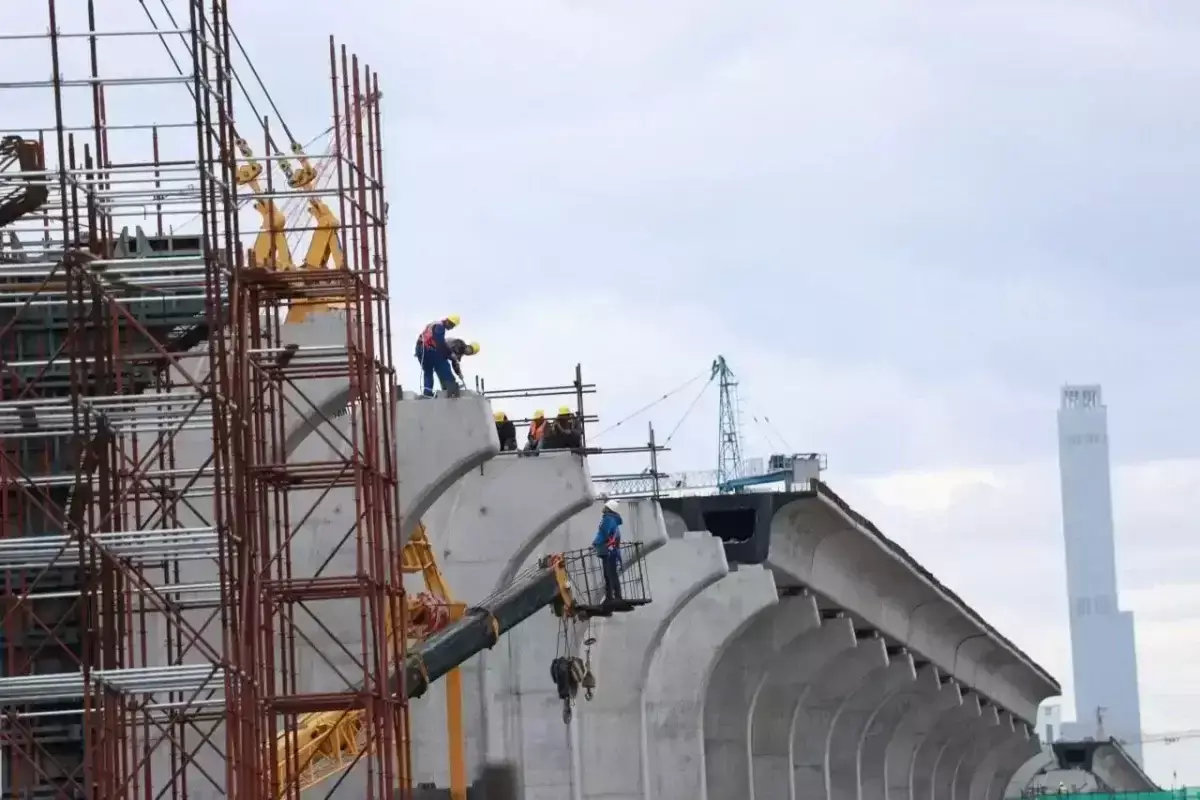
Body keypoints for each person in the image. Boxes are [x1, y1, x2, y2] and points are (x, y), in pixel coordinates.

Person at [414, 315, 461, 397]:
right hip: (427, 349)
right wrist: (450, 354)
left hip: (421, 349)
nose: (451, 327)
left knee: (428, 371)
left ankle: (427, 393)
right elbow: (440, 342)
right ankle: (451, 387)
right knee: (443, 364)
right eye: (451, 325)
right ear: (447, 321)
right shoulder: (440, 327)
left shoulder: (435, 324)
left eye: (453, 326)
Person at [592, 499, 624, 605]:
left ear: (608, 509)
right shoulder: (612, 520)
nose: (603, 507)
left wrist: (596, 543)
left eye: (605, 506)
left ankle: (611, 597)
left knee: (609, 574)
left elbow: (604, 533)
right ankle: (615, 596)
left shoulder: (608, 519)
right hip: (611, 550)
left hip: (608, 550)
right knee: (611, 573)